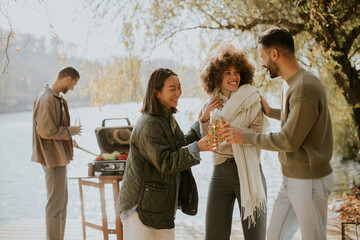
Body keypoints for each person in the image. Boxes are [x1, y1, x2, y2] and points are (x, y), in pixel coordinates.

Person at [221, 27, 334, 240]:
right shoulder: (291, 83)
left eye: (263, 57)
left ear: (275, 54)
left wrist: (242, 136)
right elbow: (299, 118)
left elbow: (288, 140)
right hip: (291, 179)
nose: (262, 63)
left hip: (308, 180)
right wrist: (270, 111)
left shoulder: (303, 87)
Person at [116, 68, 215, 240]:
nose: (178, 92)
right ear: (156, 92)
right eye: (172, 88)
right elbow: (166, 162)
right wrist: (197, 148)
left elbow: (180, 145)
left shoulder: (165, 117)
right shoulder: (149, 124)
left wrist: (202, 121)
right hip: (139, 209)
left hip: (159, 207)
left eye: (179, 87)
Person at [198, 42, 267, 240]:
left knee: (256, 236)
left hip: (250, 172)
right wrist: (204, 118)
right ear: (216, 75)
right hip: (221, 173)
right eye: (227, 72)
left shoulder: (253, 100)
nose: (233, 77)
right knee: (213, 236)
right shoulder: (209, 105)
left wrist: (237, 133)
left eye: (236, 72)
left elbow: (258, 136)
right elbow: (208, 143)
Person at [31, 67, 81, 240]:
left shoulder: (52, 97)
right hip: (52, 158)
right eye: (74, 84)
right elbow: (46, 131)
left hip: (57, 157)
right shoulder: (47, 99)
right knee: (55, 205)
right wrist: (71, 131)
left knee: (61, 203)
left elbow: (51, 129)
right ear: (67, 78)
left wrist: (67, 140)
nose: (73, 88)